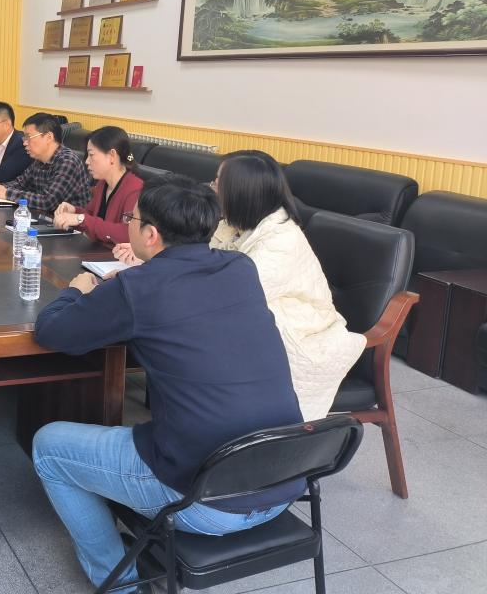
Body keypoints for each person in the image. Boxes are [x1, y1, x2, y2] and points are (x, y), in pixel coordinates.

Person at [32, 174, 304, 592]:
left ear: (151, 234)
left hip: (205, 500)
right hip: (286, 481)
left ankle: (119, 583)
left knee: (49, 447)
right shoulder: (240, 267)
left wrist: (76, 290)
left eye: (131, 219)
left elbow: (53, 332)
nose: (128, 224)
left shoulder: (137, 288)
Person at [208, 150, 365, 421]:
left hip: (305, 337)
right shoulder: (240, 225)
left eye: (218, 181)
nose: (212, 187)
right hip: (262, 320)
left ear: (240, 192)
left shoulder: (279, 242)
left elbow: (231, 294)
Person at [52, 126, 144, 246]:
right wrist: (74, 211)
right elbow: (91, 216)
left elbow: (128, 233)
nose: (86, 161)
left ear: (112, 156)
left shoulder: (135, 188)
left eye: (91, 155)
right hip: (98, 250)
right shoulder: (103, 183)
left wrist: (81, 219)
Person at [0, 113, 92, 215]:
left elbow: (48, 201)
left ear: (49, 137)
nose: (24, 143)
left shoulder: (67, 161)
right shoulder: (39, 160)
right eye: (24, 138)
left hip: (71, 224)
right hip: (44, 218)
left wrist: (5, 193)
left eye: (28, 137)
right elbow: (20, 183)